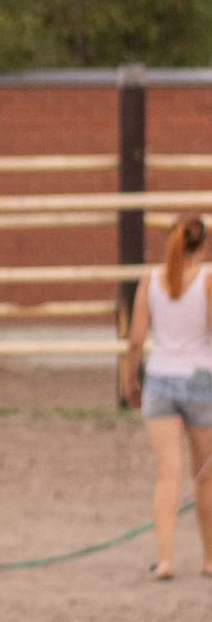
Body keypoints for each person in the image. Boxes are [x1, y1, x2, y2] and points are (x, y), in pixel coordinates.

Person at [123, 212, 212, 580]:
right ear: (204, 244)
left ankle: (165, 559)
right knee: (204, 477)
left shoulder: (150, 280)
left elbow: (136, 340)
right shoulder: (208, 279)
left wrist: (130, 380)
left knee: (167, 475)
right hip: (201, 382)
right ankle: (209, 559)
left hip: (159, 380)